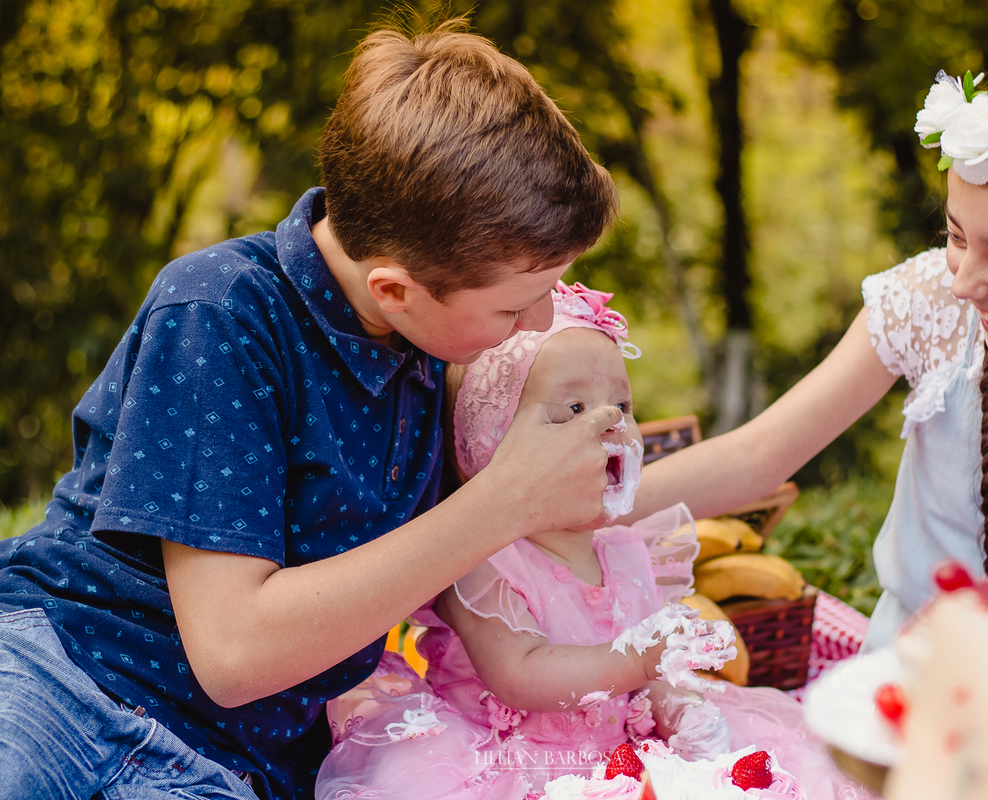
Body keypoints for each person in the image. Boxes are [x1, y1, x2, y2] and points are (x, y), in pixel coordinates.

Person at [0, 22, 629, 800]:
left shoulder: (435, 358)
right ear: (395, 290)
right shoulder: (221, 309)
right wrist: (506, 499)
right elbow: (234, 653)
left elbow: (638, 487)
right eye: (516, 306)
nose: (542, 322)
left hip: (225, 767)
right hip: (52, 676)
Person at [629, 65, 988, 650]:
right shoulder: (929, 307)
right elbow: (757, 456)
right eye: (956, 237)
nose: (964, 284)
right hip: (896, 683)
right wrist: (575, 511)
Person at [314, 281, 866, 800]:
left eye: (621, 407)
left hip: (620, 755)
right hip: (517, 760)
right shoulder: (483, 559)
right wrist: (634, 659)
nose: (609, 423)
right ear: (491, 443)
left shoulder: (625, 547)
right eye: (574, 409)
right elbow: (520, 674)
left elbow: (647, 679)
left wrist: (681, 707)